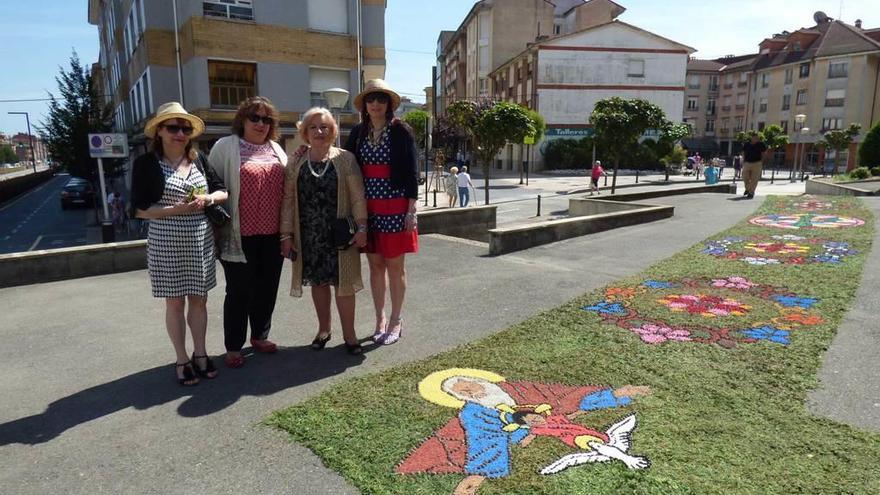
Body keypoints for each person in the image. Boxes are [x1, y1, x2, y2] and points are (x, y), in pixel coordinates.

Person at [131, 102, 228, 386]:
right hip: (166, 239)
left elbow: (222, 190)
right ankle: (181, 358)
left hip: (199, 238)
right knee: (174, 302)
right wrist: (175, 210)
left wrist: (207, 199)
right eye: (173, 127)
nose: (180, 133)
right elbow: (138, 209)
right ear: (159, 132)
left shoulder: (198, 159)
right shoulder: (146, 165)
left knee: (199, 300)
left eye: (185, 128)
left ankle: (201, 353)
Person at [208, 96, 288, 369]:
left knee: (267, 288)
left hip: (273, 234)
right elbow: (213, 187)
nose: (261, 123)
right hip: (238, 236)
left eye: (267, 119)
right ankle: (233, 345)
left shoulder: (277, 149)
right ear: (242, 119)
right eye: (255, 117)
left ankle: (259, 336)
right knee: (239, 291)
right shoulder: (225, 147)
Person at [281, 107, 368, 355]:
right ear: (305, 132)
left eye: (325, 127)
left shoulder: (345, 158)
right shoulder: (295, 161)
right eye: (313, 127)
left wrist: (362, 227)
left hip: (341, 234)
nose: (319, 131)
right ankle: (324, 330)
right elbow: (287, 200)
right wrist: (286, 236)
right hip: (309, 234)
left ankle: (350, 335)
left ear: (333, 131)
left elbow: (358, 197)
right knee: (318, 283)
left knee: (345, 285)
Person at [343, 79, 419, 346]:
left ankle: (397, 319)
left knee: (395, 266)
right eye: (371, 99)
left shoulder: (402, 132)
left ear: (388, 104)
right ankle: (380, 319)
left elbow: (412, 173)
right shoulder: (357, 133)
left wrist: (411, 211)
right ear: (365, 104)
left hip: (396, 206)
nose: (375, 104)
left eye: (381, 99)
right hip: (368, 208)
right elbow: (346, 165)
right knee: (375, 265)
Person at [741, 133, 768, 199]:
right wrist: (743, 160)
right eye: (754, 138)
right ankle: (748, 188)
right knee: (744, 176)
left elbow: (764, 153)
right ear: (751, 138)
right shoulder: (747, 144)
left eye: (757, 138)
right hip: (747, 163)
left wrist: (761, 161)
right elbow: (743, 152)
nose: (756, 139)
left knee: (754, 179)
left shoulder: (761, 144)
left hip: (757, 163)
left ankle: (751, 192)